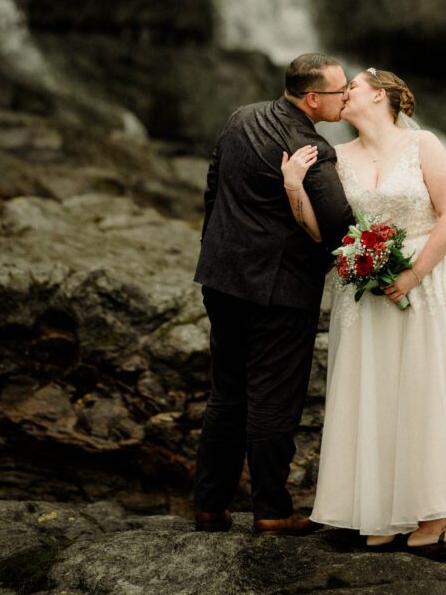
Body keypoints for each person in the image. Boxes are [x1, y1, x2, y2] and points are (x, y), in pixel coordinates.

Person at [281, 67, 446, 547]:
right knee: (372, 389)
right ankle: (381, 510)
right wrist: (295, 185)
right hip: (363, 287)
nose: (343, 94)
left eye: (353, 87)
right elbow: (325, 233)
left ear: (379, 95)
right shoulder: (336, 157)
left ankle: (431, 513)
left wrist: (414, 272)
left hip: (429, 276)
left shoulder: (426, 145)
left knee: (423, 387)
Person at [193, 53, 354, 536]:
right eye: (339, 91)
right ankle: (271, 511)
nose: (346, 97)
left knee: (225, 396)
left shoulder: (240, 117)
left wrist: (215, 252)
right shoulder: (312, 150)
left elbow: (212, 189)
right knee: (273, 403)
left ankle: (209, 506)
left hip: (222, 280)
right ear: (311, 98)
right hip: (280, 294)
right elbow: (339, 229)